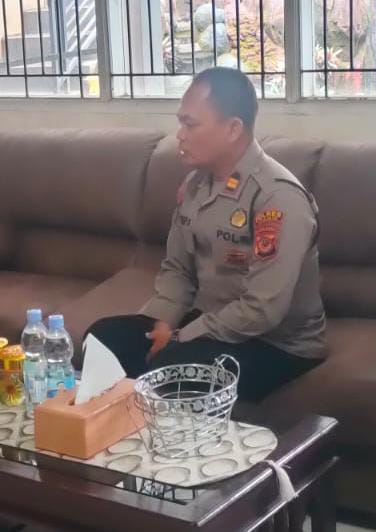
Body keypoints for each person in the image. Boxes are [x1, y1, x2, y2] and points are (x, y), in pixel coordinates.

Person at [86, 68, 326, 402]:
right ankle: (102, 430)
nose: (180, 135)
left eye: (191, 124)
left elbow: (263, 310)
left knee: (172, 370)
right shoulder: (197, 185)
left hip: (276, 343)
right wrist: (164, 320)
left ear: (232, 129)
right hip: (209, 323)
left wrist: (182, 336)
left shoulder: (277, 198)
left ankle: (145, 429)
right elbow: (177, 268)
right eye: (180, 123)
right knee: (103, 340)